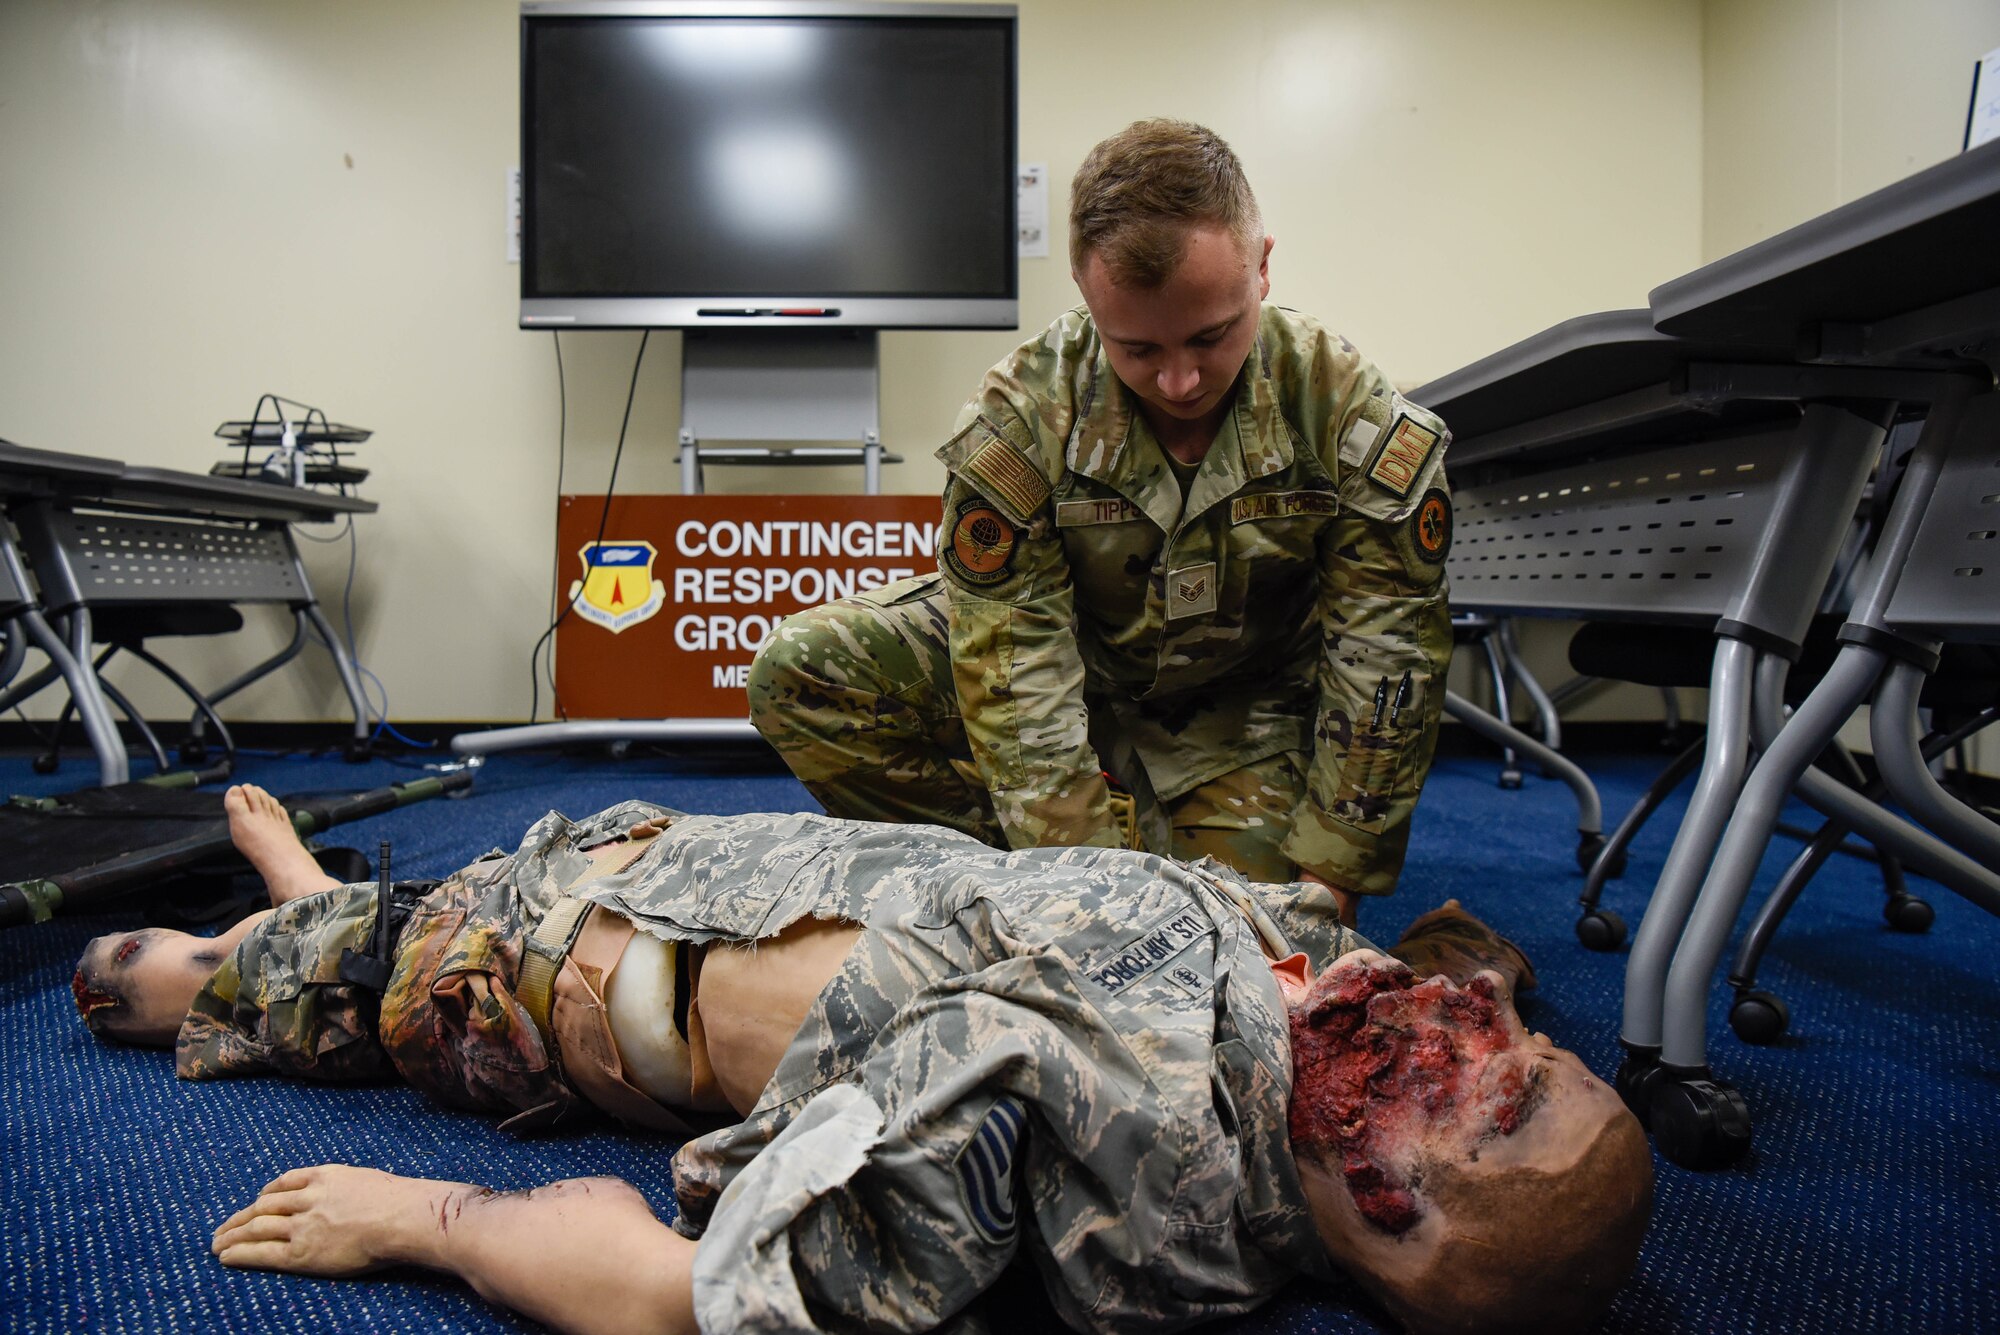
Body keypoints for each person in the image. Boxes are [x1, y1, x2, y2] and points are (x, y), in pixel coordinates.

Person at [74, 785, 1649, 1335]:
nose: (1492, 1030)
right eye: (1538, 1043)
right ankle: (324, 908)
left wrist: (428, 1221)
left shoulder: (1113, 1149)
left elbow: (677, 1296)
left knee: (140, 977)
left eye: (1495, 1096)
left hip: (519, 973)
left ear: (1379, 1198)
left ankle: (277, 940)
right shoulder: (1327, 998)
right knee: (362, 926)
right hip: (683, 859)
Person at [749, 119, 1454, 929]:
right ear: (1087, 298)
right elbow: (1018, 671)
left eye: (1211, 336)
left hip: (1239, 706)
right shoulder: (1024, 416)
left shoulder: (1344, 412)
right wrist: (1084, 890)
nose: (1180, 379)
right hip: (1069, 666)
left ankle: (1141, 866)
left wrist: (1332, 878)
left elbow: (1385, 658)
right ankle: (1027, 873)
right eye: (1138, 349)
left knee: (1266, 929)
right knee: (801, 671)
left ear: (1262, 267)